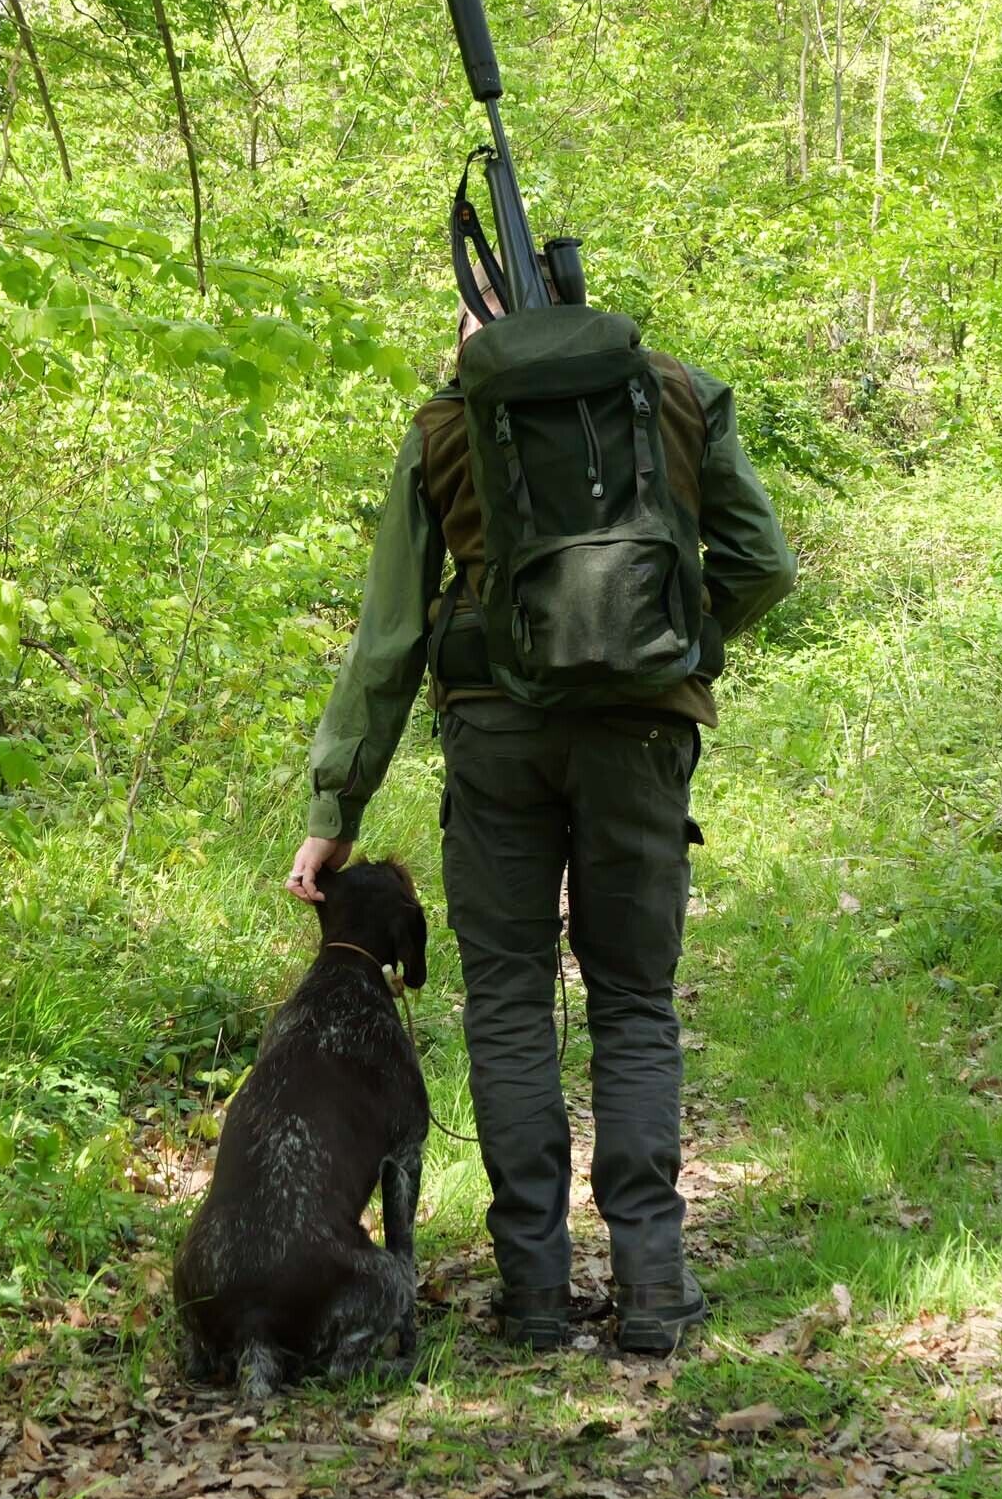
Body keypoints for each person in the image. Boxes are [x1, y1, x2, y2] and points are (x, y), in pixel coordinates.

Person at [284, 299, 796, 1356]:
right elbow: (763, 565)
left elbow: (388, 639)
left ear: (480, 328)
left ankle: (534, 1299)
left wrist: (337, 805)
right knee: (635, 1001)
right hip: (643, 738)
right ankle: (654, 1289)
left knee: (512, 1002)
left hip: (495, 736)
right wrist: (676, 646)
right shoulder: (678, 393)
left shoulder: (447, 421)